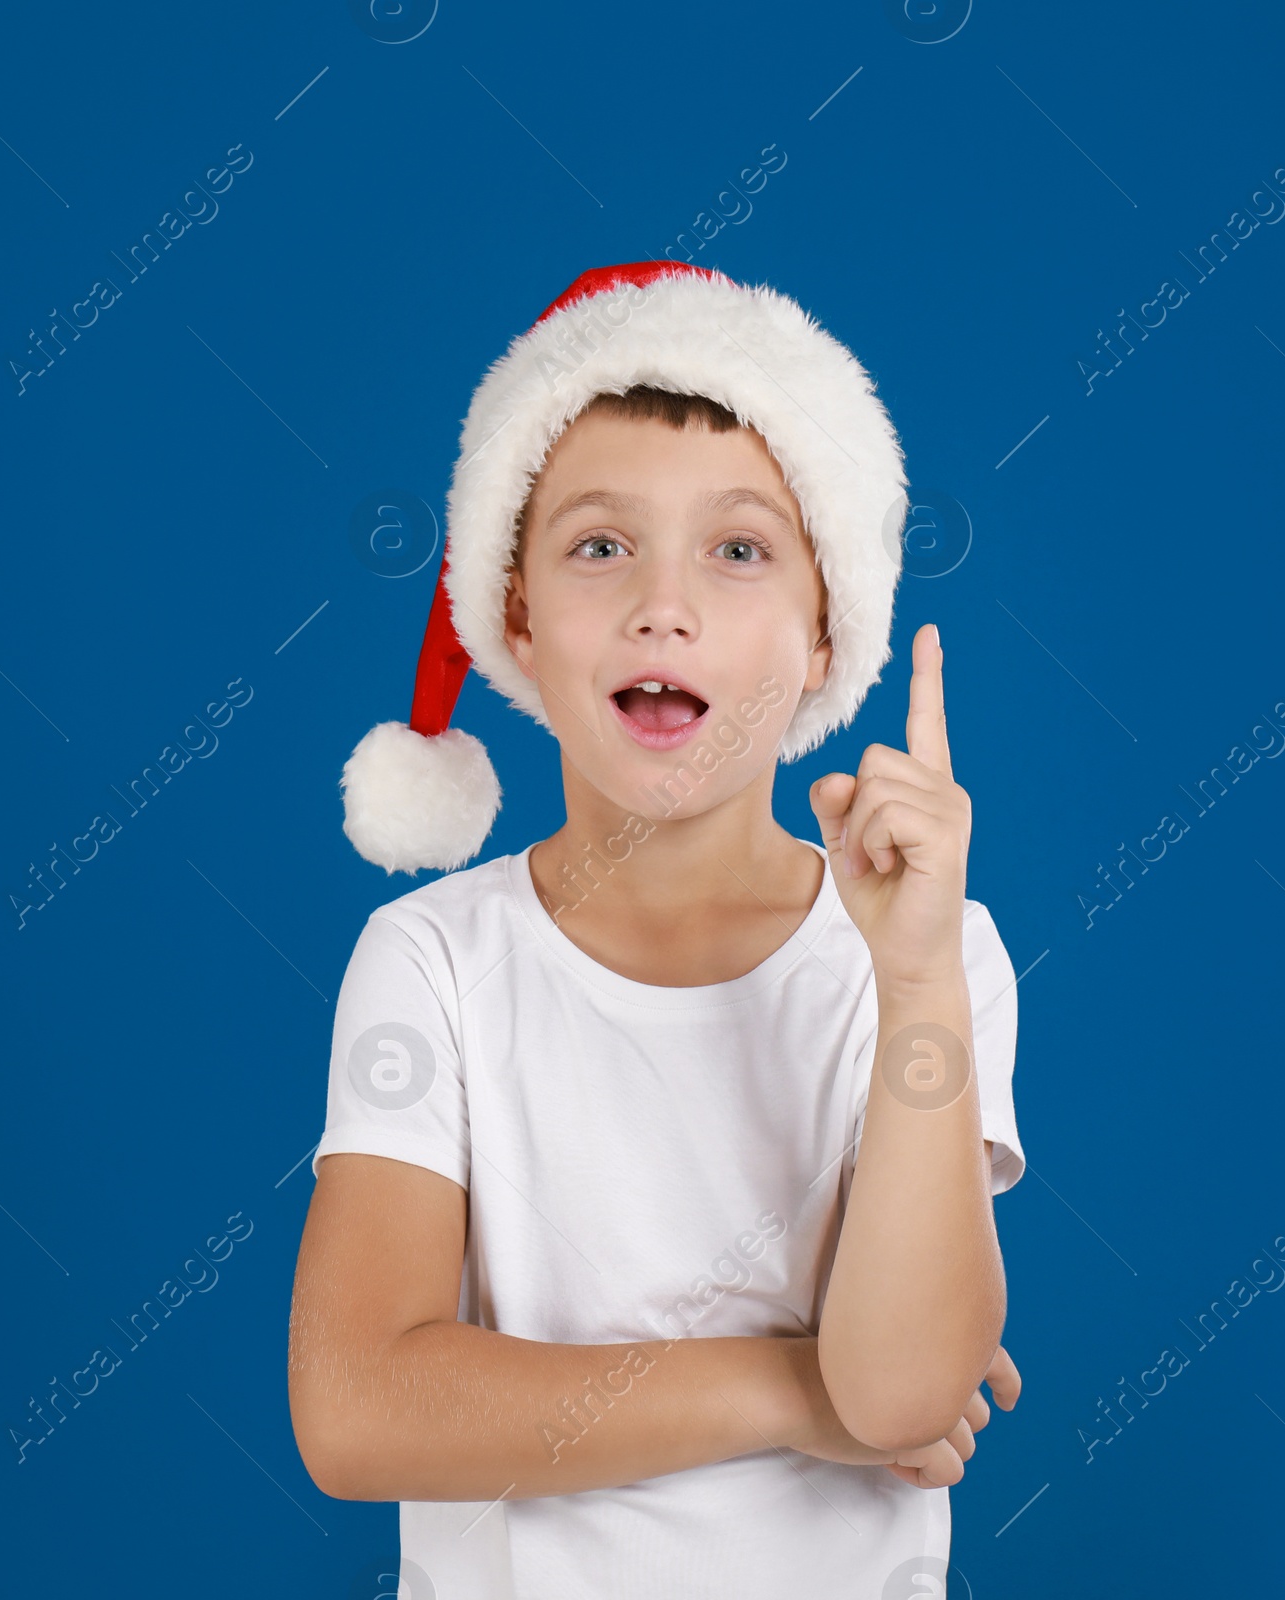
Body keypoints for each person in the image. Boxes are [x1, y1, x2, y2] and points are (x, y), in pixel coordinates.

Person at [288, 261, 1026, 1599]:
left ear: (824, 631)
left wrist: (916, 978)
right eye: (598, 545)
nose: (661, 605)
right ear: (512, 611)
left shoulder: (930, 960)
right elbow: (358, 1411)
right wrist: (799, 1394)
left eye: (739, 550)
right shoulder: (436, 961)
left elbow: (909, 1385)